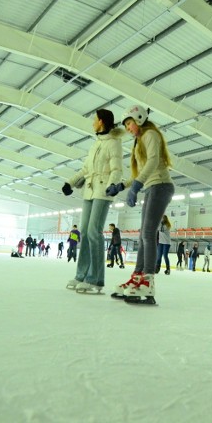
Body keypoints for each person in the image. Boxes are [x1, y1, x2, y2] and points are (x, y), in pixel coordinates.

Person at [110, 105, 174, 305]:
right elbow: (139, 173)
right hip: (151, 187)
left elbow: (154, 161)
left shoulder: (150, 135)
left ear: (138, 119)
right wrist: (122, 185)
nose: (128, 128)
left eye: (129, 123)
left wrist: (136, 186)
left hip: (161, 186)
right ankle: (138, 277)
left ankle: (148, 281)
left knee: (148, 233)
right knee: (142, 234)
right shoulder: (139, 141)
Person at [63, 109, 125, 293]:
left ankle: (96, 279)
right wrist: (70, 183)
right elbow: (85, 170)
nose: (92, 123)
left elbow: (117, 169)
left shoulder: (114, 143)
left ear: (102, 122)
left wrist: (112, 185)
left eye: (95, 120)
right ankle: (81, 274)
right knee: (84, 231)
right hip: (89, 190)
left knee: (94, 232)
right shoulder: (95, 144)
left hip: (103, 190)